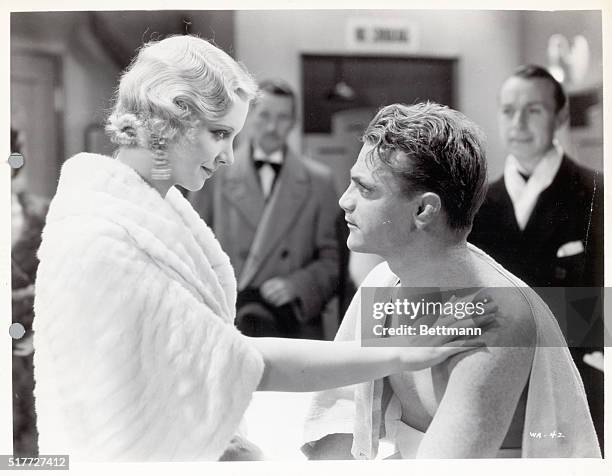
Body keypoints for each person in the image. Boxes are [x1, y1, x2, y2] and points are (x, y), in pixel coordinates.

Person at [32, 35, 488, 462]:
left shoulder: (149, 208)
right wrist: (401, 354)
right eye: (219, 133)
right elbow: (242, 362)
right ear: (173, 115)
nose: (230, 154)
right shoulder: (101, 234)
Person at [303, 102, 600, 459]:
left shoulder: (496, 318)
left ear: (423, 210)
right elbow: (337, 425)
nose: (344, 201)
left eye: (365, 190)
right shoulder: (384, 281)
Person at [469, 65, 604, 447]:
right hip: (501, 380)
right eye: (509, 111)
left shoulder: (598, 193)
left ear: (560, 117)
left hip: (582, 380)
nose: (519, 122)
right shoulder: (476, 204)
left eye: (534, 110)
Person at [190, 79, 340, 339]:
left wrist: (298, 285)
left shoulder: (320, 181)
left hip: (293, 323)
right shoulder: (212, 174)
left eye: (282, 118)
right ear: (249, 117)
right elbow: (192, 249)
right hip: (230, 319)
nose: (272, 127)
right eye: (265, 116)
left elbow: (333, 261)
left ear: (293, 122)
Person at [11, 127, 48, 456]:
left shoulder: (44, 213)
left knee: (39, 449)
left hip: (39, 350)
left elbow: (67, 286)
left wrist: (45, 331)